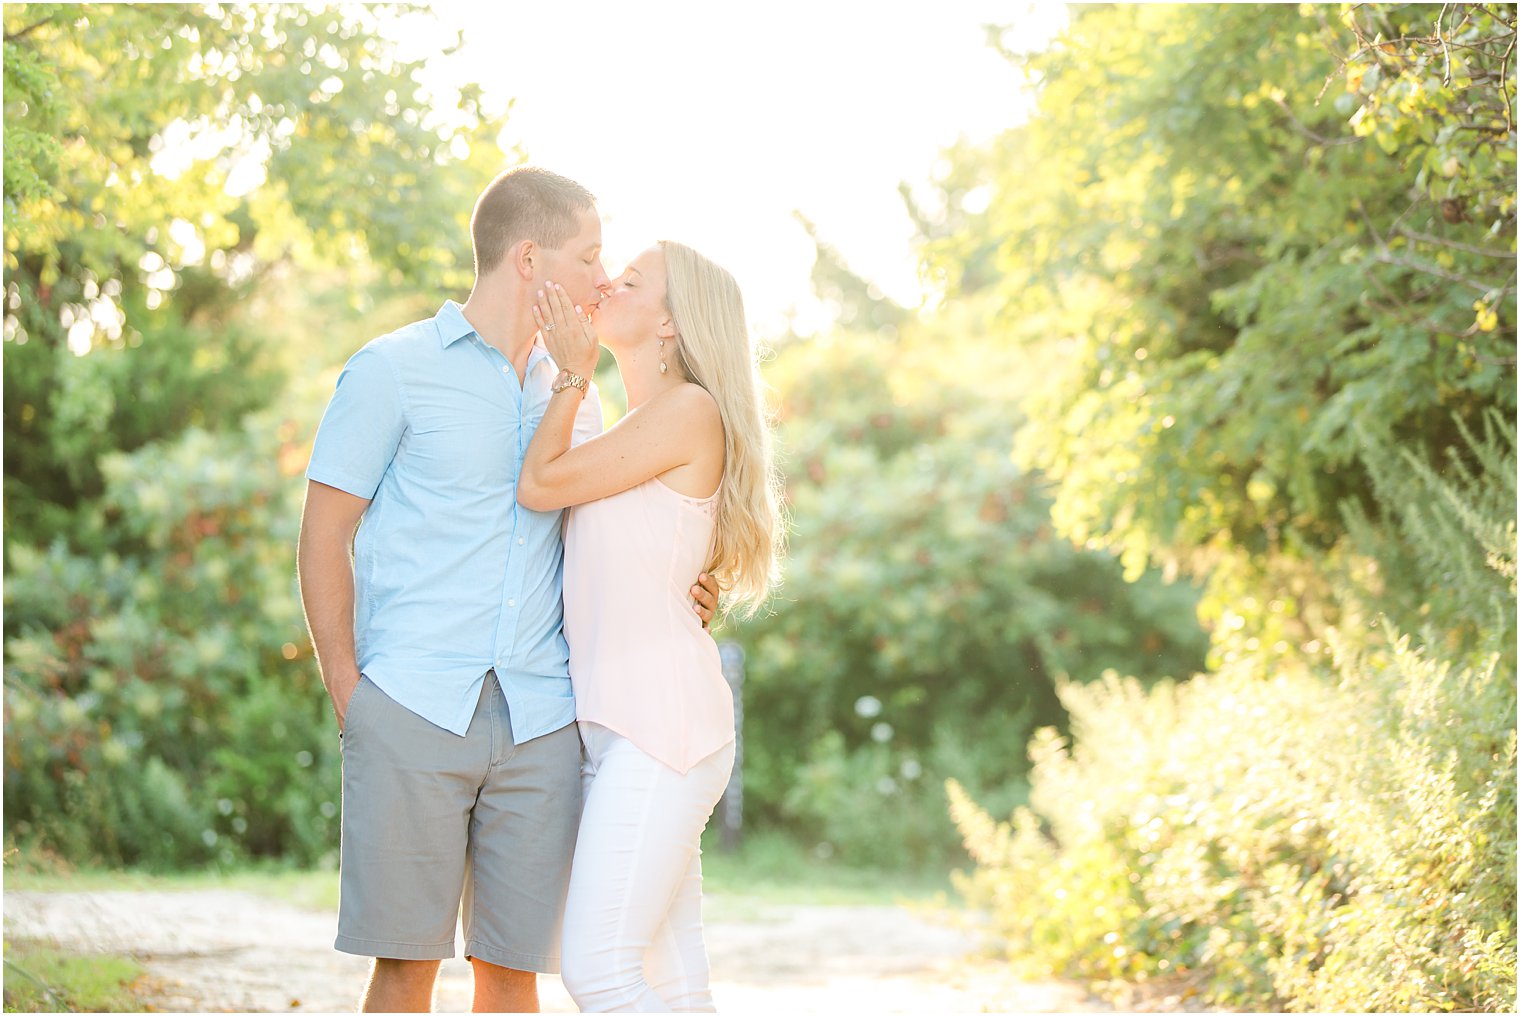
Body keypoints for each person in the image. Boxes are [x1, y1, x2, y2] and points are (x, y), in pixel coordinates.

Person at [296, 167, 720, 1014]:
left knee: (513, 974)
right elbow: (322, 534)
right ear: (530, 259)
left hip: (539, 719)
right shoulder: (393, 369)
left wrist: (688, 586)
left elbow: (623, 530)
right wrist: (349, 689)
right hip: (412, 704)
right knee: (406, 969)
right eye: (589, 255)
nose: (603, 279)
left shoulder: (578, 397)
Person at [517, 240, 782, 1012]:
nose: (603, 283)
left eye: (629, 281)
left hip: (658, 730)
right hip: (624, 726)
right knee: (669, 980)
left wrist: (570, 370)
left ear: (671, 323)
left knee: (599, 970)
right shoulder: (637, 426)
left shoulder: (687, 411)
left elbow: (540, 485)